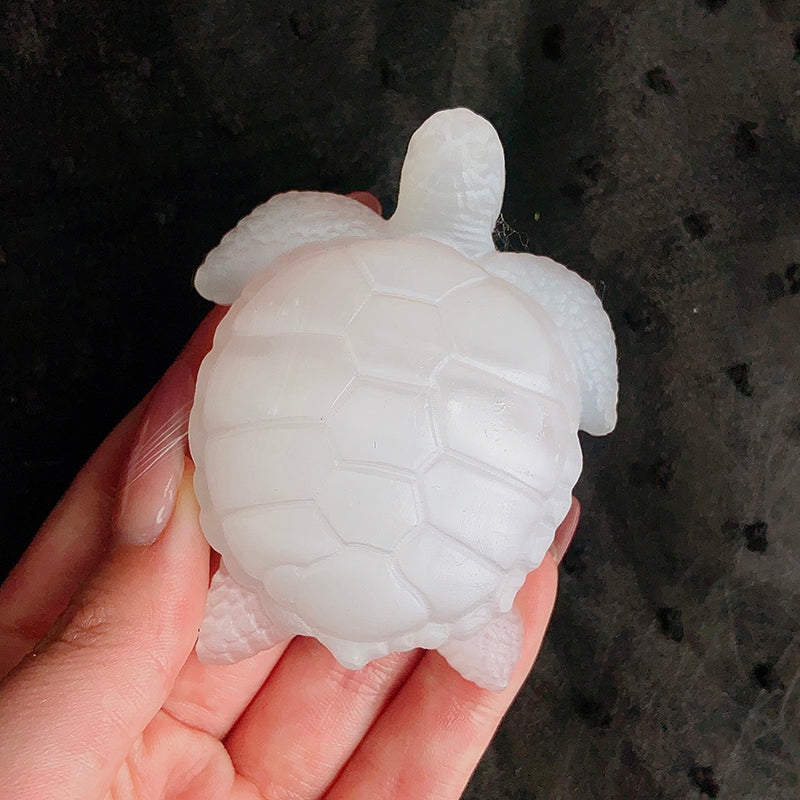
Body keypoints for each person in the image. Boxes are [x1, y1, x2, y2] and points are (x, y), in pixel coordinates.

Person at [0, 193, 579, 799]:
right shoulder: (531, 307)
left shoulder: (323, 244)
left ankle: (305, 609)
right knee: (481, 650)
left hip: (279, 554)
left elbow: (221, 275)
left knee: (230, 620)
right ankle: (465, 625)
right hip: (451, 580)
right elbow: (591, 402)